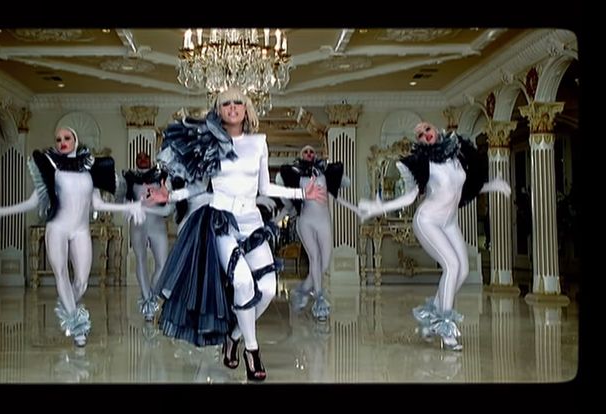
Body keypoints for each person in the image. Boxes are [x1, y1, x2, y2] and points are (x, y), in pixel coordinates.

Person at [147, 87, 326, 381]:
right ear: (218, 110)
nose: (232, 107)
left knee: (267, 289)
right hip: (220, 221)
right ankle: (252, 351)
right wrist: (171, 195)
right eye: (225, 103)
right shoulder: (209, 143)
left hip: (252, 222)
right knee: (243, 282)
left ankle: (233, 336)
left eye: (237, 103)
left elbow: (265, 189)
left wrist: (301, 192)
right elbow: (199, 187)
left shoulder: (258, 143)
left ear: (246, 108)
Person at [348, 121, 510, 351]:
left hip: (449, 222)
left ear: (437, 130)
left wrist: (492, 185)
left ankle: (431, 318)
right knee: (451, 266)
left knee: (462, 270)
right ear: (419, 141)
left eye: (427, 129)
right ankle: (445, 329)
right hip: (428, 220)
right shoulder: (425, 163)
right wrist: (379, 208)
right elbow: (410, 197)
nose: (425, 135)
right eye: (420, 135)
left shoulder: (456, 157)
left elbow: (465, 188)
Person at [0, 126, 146, 347]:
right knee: (61, 276)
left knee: (82, 282)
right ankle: (78, 329)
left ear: (75, 140)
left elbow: (97, 204)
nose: (62, 142)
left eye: (67, 138)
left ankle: (66, 306)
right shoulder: (52, 169)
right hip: (57, 227)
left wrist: (127, 208)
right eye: (58, 139)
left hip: (80, 229)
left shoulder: (89, 169)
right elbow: (33, 202)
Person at [274, 145, 350, 322]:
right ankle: (319, 298)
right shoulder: (294, 174)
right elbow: (283, 192)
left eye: (311, 151)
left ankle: (302, 290)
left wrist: (336, 174)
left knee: (325, 261)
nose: (309, 153)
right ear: (300, 155)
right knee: (314, 257)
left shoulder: (323, 173)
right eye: (305, 151)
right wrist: (290, 208)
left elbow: (346, 182)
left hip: (323, 220)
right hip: (305, 220)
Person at [122, 152, 174, 322]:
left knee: (163, 264)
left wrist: (146, 208)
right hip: (138, 227)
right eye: (139, 157)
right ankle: (147, 302)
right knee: (141, 261)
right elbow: (124, 201)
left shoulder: (162, 177)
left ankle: (151, 294)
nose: (142, 159)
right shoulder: (129, 178)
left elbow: (169, 207)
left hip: (157, 225)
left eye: (145, 157)